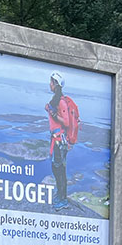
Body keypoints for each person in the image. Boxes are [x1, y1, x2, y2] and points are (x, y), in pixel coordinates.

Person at [46, 71, 70, 211]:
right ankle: (61, 196)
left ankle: (63, 199)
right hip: (56, 140)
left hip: (59, 141)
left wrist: (53, 114)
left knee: (59, 170)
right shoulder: (56, 100)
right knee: (57, 169)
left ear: (55, 84)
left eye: (51, 82)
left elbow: (66, 122)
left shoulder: (61, 102)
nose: (49, 84)